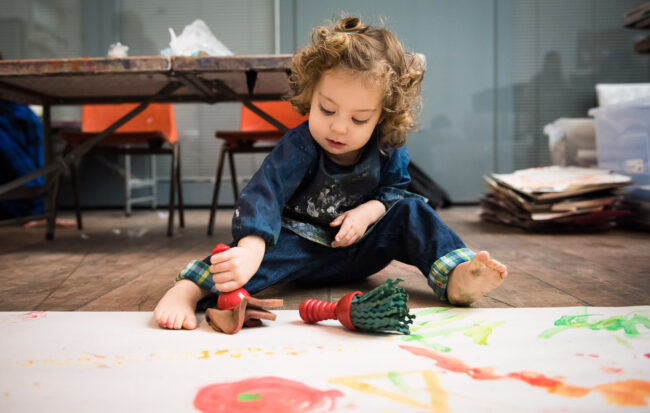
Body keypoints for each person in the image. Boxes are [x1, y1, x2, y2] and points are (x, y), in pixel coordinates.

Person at [154, 16, 507, 330]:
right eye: (327, 109)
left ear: (383, 116)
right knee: (243, 258)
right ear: (311, 96)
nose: (338, 128)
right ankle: (188, 289)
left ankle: (456, 275)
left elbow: (396, 192)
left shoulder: (388, 144)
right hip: (300, 248)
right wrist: (250, 248)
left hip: (364, 247)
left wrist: (367, 213)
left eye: (358, 119)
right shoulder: (300, 145)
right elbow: (265, 193)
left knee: (415, 211)